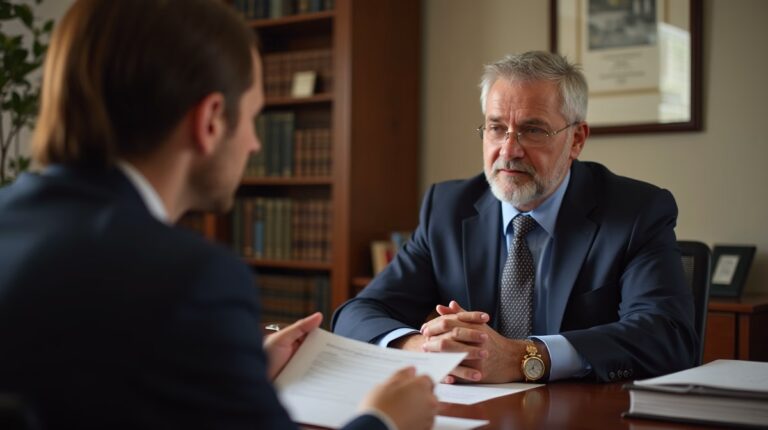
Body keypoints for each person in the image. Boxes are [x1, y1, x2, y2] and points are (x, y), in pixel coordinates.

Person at [0, 0, 437, 429]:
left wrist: (233, 371)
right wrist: (384, 420)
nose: (255, 144)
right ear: (210, 121)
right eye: (252, 117)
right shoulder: (190, 280)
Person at [332, 51, 697, 384]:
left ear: (576, 139)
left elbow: (668, 336)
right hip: (473, 412)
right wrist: (424, 348)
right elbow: (357, 313)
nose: (509, 150)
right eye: (496, 128)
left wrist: (524, 357)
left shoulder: (636, 211)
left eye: (533, 130)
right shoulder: (448, 208)